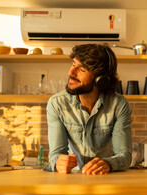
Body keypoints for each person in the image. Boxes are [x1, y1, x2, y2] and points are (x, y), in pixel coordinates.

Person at [44, 44, 132, 174]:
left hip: (106, 180)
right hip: (70, 181)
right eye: (73, 64)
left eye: (82, 70)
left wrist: (108, 164)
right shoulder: (57, 103)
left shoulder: (119, 105)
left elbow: (124, 156)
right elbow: (55, 155)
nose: (71, 73)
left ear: (100, 79)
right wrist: (58, 163)